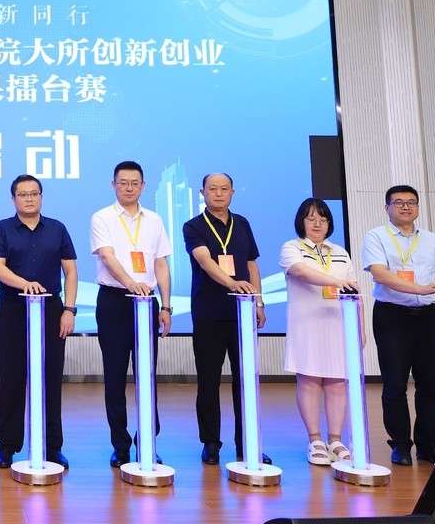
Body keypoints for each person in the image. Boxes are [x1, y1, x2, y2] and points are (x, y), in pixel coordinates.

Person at [0, 175, 78, 470]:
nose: (29, 198)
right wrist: (24, 284)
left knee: (50, 379)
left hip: (51, 309)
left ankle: (52, 446)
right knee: (11, 379)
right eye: (23, 194)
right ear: (13, 199)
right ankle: (7, 445)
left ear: (41, 196)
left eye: (34, 193)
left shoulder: (57, 228)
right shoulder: (2, 228)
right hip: (12, 308)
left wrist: (69, 309)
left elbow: (71, 271)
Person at [362, 185, 435, 466]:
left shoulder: (432, 239)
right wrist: (420, 289)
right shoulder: (376, 236)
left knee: (431, 384)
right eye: (399, 202)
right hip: (392, 316)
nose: (405, 207)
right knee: (394, 384)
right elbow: (381, 274)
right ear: (387, 207)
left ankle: (428, 444)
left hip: (429, 316)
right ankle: (400, 444)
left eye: (411, 202)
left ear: (417, 207)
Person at [182, 172, 269, 465]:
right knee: (208, 380)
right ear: (202, 193)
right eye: (212, 189)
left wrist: (258, 301)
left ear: (232, 192)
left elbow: (251, 264)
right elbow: (205, 260)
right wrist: (232, 284)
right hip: (209, 312)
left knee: (245, 381)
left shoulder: (242, 223)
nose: (218, 193)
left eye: (224, 189)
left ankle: (247, 443)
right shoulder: (193, 226)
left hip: (242, 312)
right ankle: (211, 443)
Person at [91, 160, 173, 467]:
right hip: (114, 301)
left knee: (146, 375)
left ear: (143, 186)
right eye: (123, 183)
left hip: (147, 303)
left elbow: (161, 263)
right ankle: (120, 444)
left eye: (134, 183)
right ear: (114, 185)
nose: (128, 188)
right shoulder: (102, 217)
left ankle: (147, 440)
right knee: (114, 376)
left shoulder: (154, 220)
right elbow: (107, 256)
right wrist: (130, 283)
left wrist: (165, 305)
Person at [282, 198, 360, 466]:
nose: (317, 224)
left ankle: (335, 440)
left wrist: (359, 327)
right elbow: (301, 273)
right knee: (310, 381)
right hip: (307, 324)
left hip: (338, 323)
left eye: (323, 219)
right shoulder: (292, 248)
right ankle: (314, 439)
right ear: (301, 222)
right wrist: (338, 282)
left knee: (337, 383)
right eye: (311, 218)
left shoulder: (339, 252)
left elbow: (354, 290)